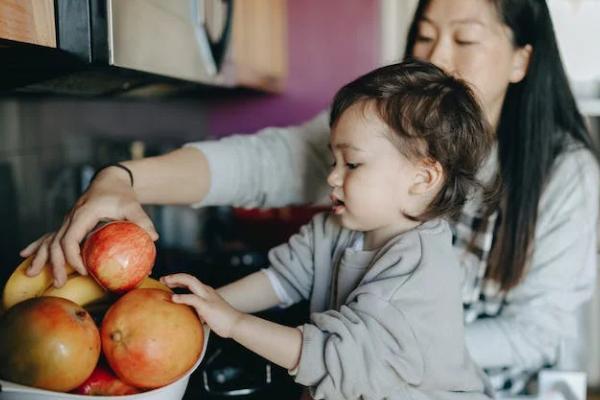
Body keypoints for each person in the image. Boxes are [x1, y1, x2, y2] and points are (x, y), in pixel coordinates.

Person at [21, 0, 599, 395]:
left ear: (523, 57)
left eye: (465, 37)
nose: (436, 54)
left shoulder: (559, 177)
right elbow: (277, 202)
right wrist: (123, 180)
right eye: (424, 33)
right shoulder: (365, 169)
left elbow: (531, 334)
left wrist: (383, 340)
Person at [161, 60, 495, 399]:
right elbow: (284, 279)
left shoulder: (418, 272)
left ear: (421, 179)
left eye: (352, 164)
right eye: (334, 161)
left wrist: (232, 323)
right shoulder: (338, 227)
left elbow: (330, 356)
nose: (333, 177)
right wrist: (207, 307)